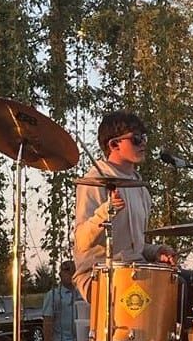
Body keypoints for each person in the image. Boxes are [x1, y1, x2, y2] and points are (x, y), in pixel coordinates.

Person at [72, 111, 176, 303]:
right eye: (136, 139)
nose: (143, 143)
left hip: (134, 269)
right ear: (114, 144)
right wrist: (105, 212)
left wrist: (157, 251)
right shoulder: (94, 181)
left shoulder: (140, 188)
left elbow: (135, 246)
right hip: (99, 275)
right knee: (161, 297)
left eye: (144, 137)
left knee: (183, 286)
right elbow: (81, 242)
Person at [42, 260, 81, 341]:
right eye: (67, 270)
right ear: (60, 274)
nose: (70, 274)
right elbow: (48, 321)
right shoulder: (53, 295)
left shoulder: (82, 294)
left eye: (73, 271)